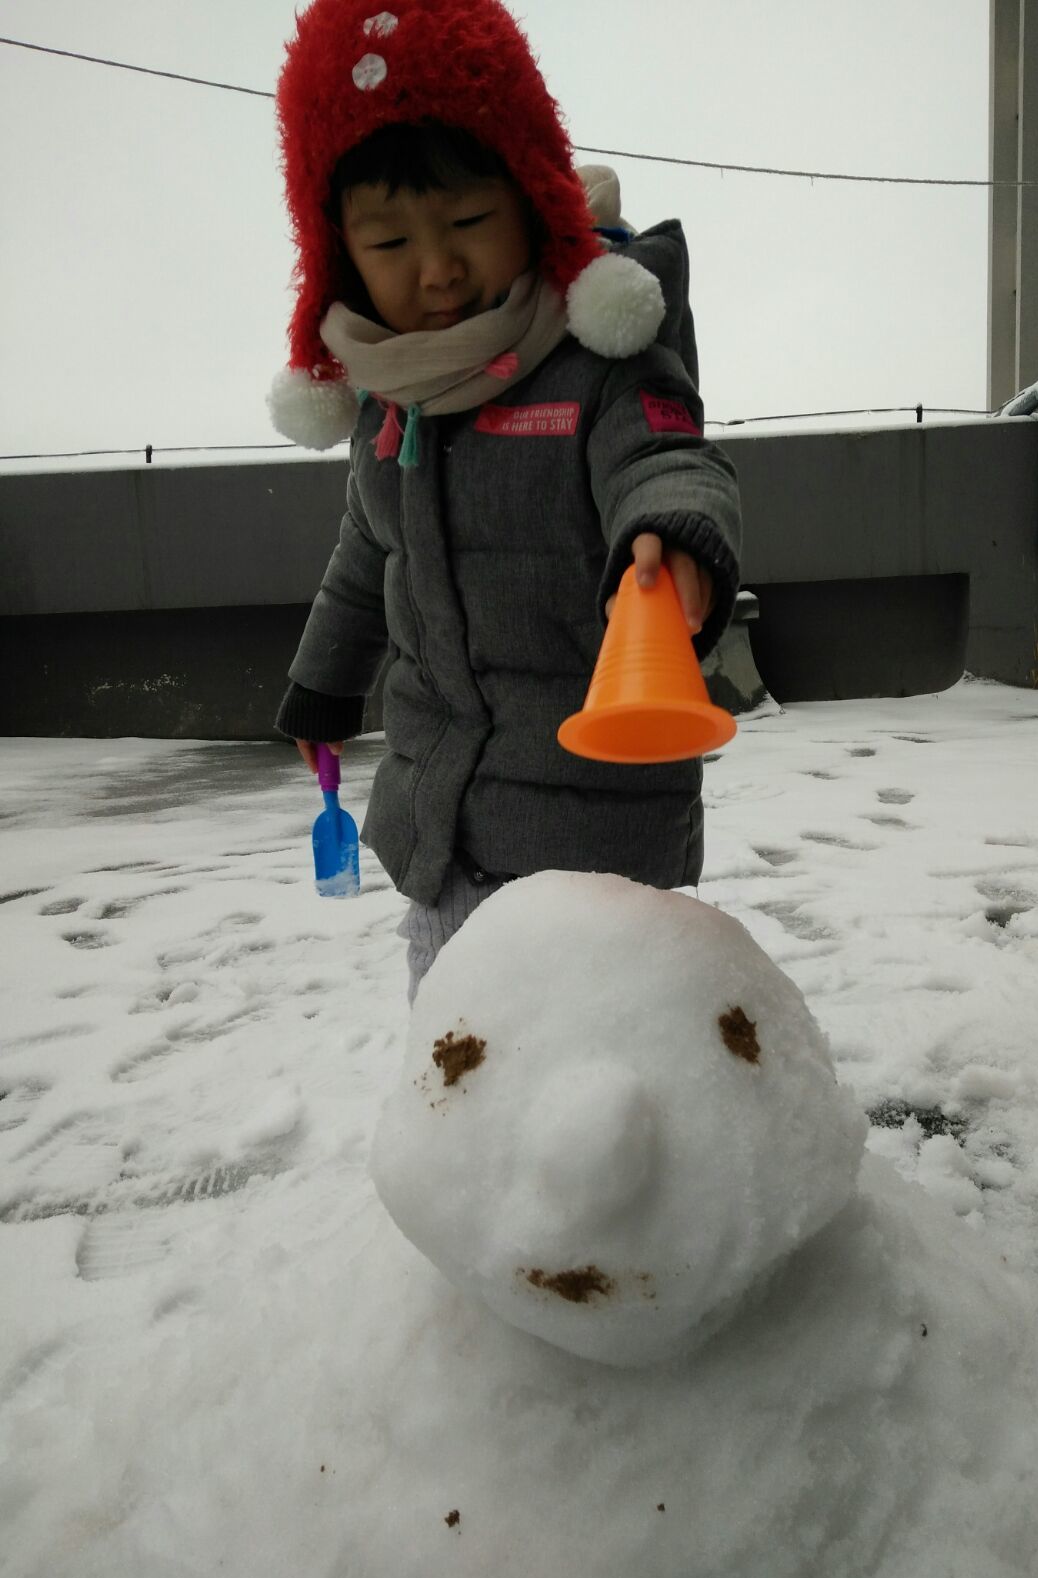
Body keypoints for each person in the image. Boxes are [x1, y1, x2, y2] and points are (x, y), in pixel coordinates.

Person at [270, 0, 742, 1000]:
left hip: (599, 837)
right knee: (462, 1075)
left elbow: (662, 455)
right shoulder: (390, 401)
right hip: (443, 833)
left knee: (601, 1084)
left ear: (529, 201)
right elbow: (368, 551)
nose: (436, 268)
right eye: (389, 242)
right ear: (339, 254)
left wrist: (669, 536)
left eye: (469, 223)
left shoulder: (599, 360)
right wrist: (323, 681)